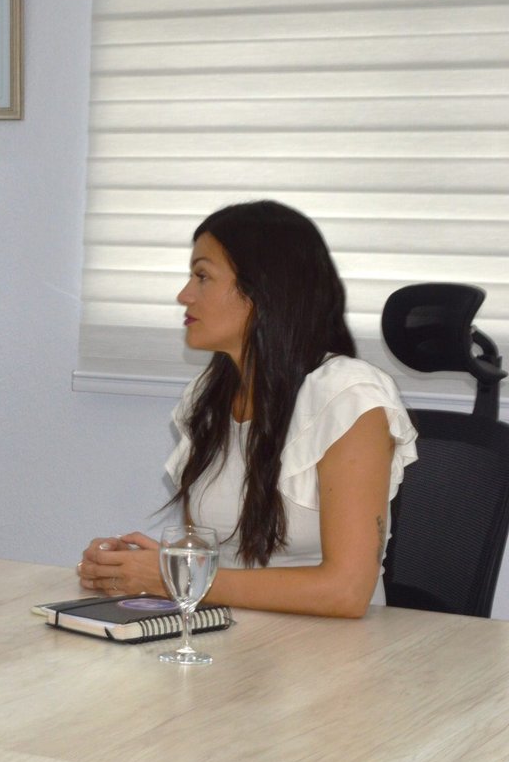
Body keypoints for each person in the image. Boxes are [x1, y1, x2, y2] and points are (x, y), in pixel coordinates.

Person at [77, 200, 418, 618]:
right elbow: (215, 552)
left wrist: (170, 577)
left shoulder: (348, 397)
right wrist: (133, 566)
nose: (184, 295)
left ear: (261, 290)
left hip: (331, 646)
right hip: (229, 630)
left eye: (203, 276)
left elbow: (346, 592)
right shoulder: (207, 396)